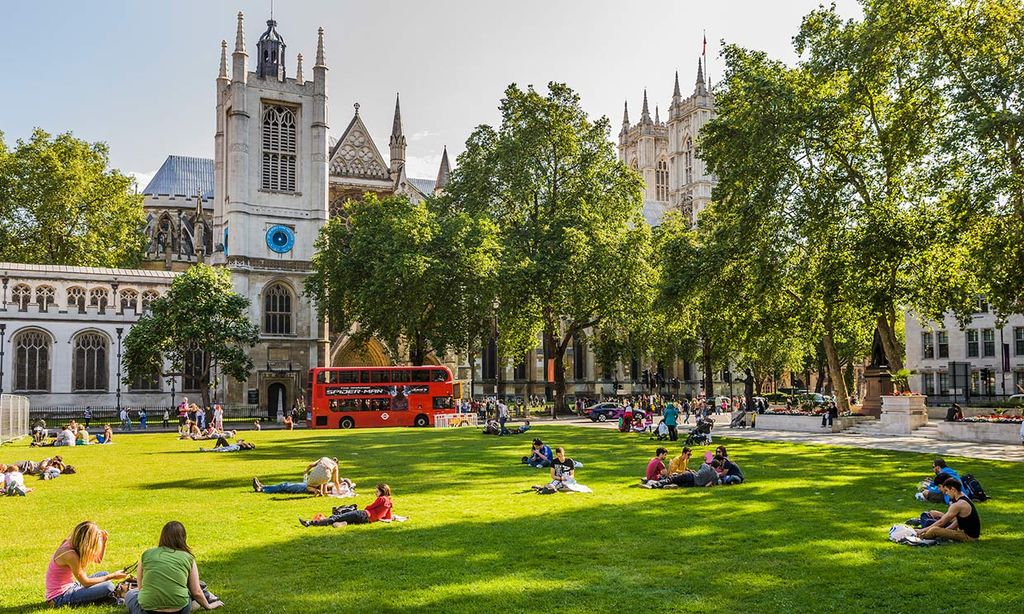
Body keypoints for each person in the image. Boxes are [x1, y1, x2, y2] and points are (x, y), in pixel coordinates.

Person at [124, 521, 223, 613]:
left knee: (130, 594)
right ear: (183, 537)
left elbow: (141, 589)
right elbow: (196, 592)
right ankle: (199, 601)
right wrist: (209, 606)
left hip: (148, 610)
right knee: (188, 594)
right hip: (179, 610)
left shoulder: (146, 554)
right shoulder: (188, 557)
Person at [45, 521, 127, 607]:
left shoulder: (72, 543)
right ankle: (111, 598)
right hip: (59, 598)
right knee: (108, 586)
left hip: (71, 586)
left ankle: (108, 597)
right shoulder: (70, 555)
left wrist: (104, 542)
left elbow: (97, 559)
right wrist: (112, 576)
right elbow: (85, 582)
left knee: (104, 574)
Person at [300, 483, 394, 527]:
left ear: (382, 491)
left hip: (363, 514)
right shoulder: (389, 502)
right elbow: (388, 516)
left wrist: (367, 509)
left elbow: (369, 507)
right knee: (344, 518)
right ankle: (342, 524)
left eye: (377, 491)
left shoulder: (382, 499)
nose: (375, 493)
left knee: (336, 517)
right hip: (366, 521)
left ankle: (310, 523)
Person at [916, 479, 981, 542]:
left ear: (953, 489)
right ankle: (924, 531)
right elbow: (958, 520)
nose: (946, 493)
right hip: (966, 532)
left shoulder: (958, 504)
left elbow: (941, 522)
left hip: (968, 537)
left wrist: (922, 530)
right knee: (935, 519)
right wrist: (946, 530)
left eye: (947, 490)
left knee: (934, 530)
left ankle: (920, 536)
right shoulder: (963, 497)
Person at [253, 456, 341, 496]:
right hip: (311, 485)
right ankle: (263, 486)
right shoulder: (327, 475)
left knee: (285, 486)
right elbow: (330, 483)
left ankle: (262, 488)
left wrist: (305, 472)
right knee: (285, 487)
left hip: (307, 487)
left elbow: (311, 465)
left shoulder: (325, 460)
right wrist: (338, 491)